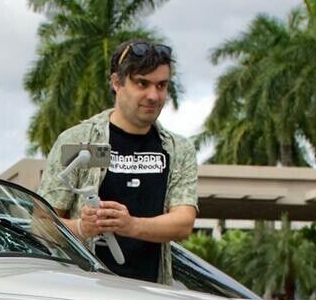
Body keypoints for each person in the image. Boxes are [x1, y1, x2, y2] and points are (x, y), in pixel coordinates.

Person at [40, 39, 198, 284]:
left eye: (162, 85)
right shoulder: (80, 141)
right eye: (142, 83)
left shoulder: (177, 149)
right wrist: (82, 228)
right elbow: (41, 225)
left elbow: (183, 223)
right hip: (83, 294)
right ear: (116, 83)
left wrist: (130, 225)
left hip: (152, 297)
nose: (154, 96)